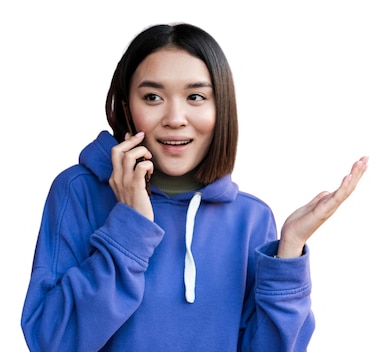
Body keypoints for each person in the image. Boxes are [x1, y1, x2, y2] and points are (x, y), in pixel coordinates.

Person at [20, 22, 369, 352]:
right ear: (127, 108)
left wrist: (289, 250)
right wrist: (129, 226)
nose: (174, 118)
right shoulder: (78, 191)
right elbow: (52, 341)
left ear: (222, 109)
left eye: (196, 97)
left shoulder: (251, 218)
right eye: (153, 97)